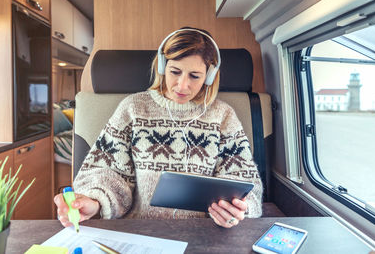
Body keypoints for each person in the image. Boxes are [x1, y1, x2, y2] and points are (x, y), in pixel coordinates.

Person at [54, 27, 263, 229]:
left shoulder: (223, 115)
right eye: (175, 71)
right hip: (141, 230)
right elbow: (107, 172)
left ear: (209, 76)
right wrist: (95, 201)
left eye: (194, 76)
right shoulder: (133, 108)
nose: (182, 86)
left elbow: (244, 180)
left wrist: (238, 209)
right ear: (162, 67)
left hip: (205, 233)